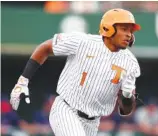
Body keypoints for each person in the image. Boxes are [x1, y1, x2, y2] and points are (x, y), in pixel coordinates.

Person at [10, 8, 141, 136]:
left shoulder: (130, 63)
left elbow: (125, 111)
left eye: (130, 30)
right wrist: (23, 80)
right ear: (108, 28)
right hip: (66, 110)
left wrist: (128, 95)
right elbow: (45, 47)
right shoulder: (83, 42)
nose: (129, 34)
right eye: (124, 29)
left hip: (93, 122)